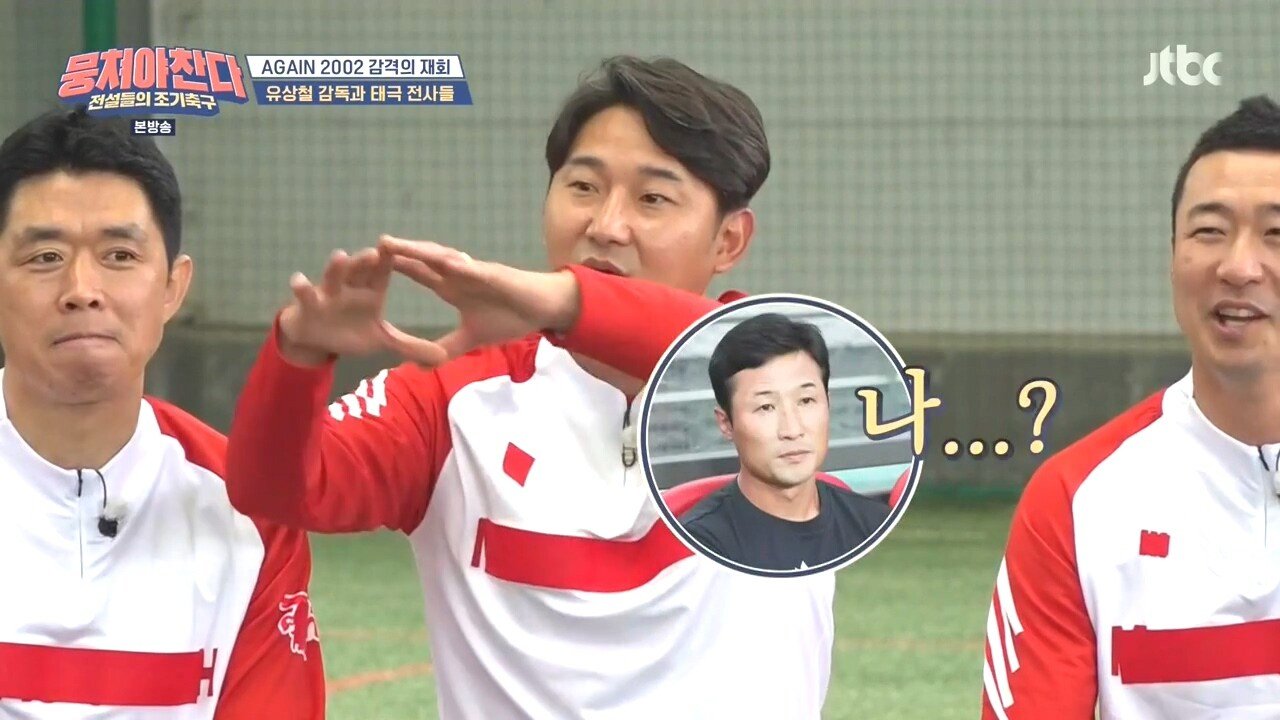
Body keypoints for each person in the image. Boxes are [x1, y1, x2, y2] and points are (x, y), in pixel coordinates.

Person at [224, 56, 835, 719]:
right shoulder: (455, 400)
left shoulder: (814, 390)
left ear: (729, 241)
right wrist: (300, 356)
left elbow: (741, 352)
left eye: (653, 199)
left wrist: (562, 302)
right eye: (583, 187)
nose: (606, 225)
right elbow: (274, 488)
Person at [0, 107, 326, 718]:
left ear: (173, 287)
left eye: (120, 256)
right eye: (45, 257)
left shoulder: (247, 507)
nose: (82, 289)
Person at [980, 94, 1280, 720]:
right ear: (1172, 257)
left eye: (1277, 234)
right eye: (1209, 231)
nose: (1239, 266)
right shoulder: (1076, 499)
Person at [678, 312, 890, 572]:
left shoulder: (873, 524)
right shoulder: (698, 548)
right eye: (766, 407)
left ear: (828, 404)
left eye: (806, 401)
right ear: (726, 423)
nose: (792, 429)